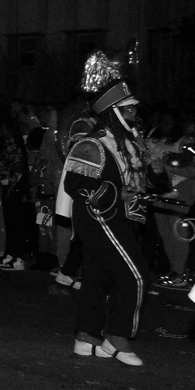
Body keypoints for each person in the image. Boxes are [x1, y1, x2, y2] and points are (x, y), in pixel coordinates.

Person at [64, 77, 151, 366]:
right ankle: (116, 338)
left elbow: (142, 182)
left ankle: (87, 336)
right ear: (114, 112)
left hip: (118, 218)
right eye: (128, 110)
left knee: (97, 278)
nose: (134, 114)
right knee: (135, 275)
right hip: (99, 218)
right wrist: (117, 193)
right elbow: (75, 185)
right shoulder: (93, 143)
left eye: (133, 109)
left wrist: (157, 172)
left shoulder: (128, 143)